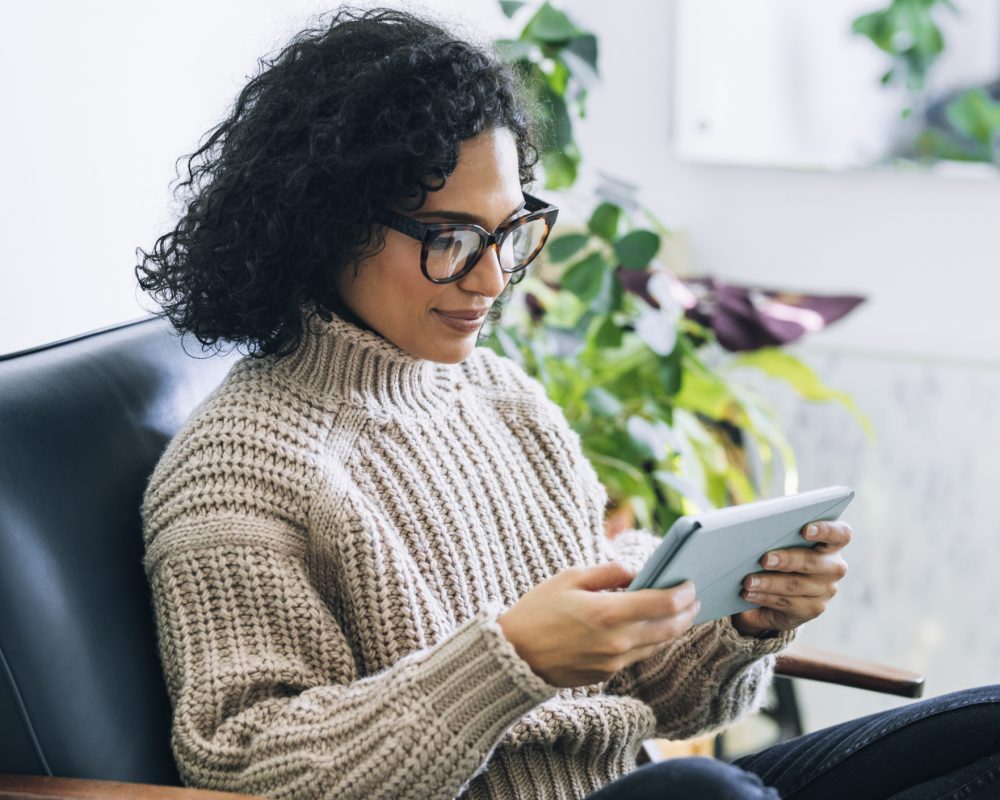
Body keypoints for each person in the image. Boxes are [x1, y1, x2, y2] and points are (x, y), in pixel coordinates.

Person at [135, 8, 999, 800]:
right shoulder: (236, 471)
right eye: (449, 239)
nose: (492, 276)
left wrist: (741, 614)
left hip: (626, 788)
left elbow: (642, 694)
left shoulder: (501, 397)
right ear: (322, 223)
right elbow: (245, 770)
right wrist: (510, 661)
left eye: (509, 230)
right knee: (707, 796)